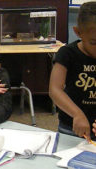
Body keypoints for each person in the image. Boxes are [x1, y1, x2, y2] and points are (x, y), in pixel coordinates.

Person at [49, 2, 96, 140]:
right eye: (94, 42)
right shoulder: (67, 53)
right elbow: (55, 89)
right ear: (78, 32)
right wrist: (77, 114)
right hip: (71, 127)